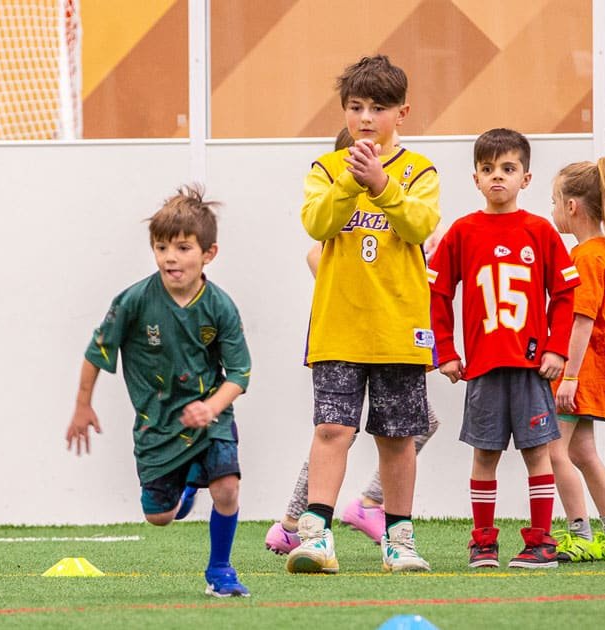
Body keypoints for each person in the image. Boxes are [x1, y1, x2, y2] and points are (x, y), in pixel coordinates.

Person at [286, 55, 440, 574]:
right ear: (345, 112)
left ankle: (398, 539)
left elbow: (420, 227)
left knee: (397, 437)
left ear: (403, 112)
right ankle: (315, 536)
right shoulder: (326, 169)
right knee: (333, 430)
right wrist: (354, 182)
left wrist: (382, 183)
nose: (366, 118)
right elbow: (317, 222)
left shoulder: (420, 171)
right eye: (356, 107)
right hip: (338, 328)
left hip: (399, 329)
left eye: (379, 107)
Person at [65, 184, 252, 597]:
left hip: (211, 417)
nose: (171, 257)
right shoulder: (134, 301)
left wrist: (212, 406)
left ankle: (220, 570)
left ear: (209, 254)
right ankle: (186, 486)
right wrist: (83, 406)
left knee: (227, 488)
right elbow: (97, 351)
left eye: (183, 247)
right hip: (158, 424)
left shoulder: (220, 306)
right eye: (162, 246)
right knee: (160, 517)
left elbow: (239, 372)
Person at [428, 128, 579, 569]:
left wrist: (557, 349)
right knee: (484, 454)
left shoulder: (541, 231)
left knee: (538, 452)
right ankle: (483, 543)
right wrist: (446, 352)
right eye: (488, 169)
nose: (498, 177)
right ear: (475, 178)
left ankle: (540, 543)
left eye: (508, 169)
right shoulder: (462, 231)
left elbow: (566, 294)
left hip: (532, 367)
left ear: (526, 178)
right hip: (483, 368)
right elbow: (437, 294)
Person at [548, 158, 605, 562]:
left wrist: (568, 377)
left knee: (555, 451)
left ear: (572, 207)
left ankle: (580, 534)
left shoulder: (586, 257)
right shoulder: (603, 252)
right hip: (596, 372)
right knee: (583, 452)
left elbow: (581, 323)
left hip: (579, 373)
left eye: (554, 201)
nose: (551, 210)